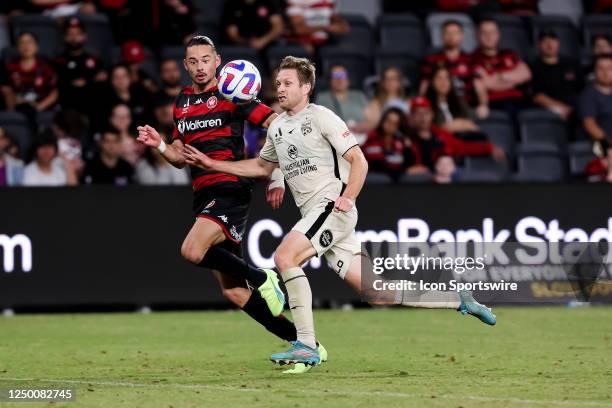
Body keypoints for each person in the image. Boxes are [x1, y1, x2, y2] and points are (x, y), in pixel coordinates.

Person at [184, 56, 497, 371]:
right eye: (278, 83)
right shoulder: (277, 126)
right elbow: (262, 167)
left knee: (285, 257)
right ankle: (458, 299)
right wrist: (213, 164)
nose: (280, 88)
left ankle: (306, 344)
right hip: (317, 213)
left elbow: (359, 160)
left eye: (288, 83)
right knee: (378, 293)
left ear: (306, 87)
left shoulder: (321, 117)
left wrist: (348, 197)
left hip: (331, 205)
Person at [135, 35, 310, 355]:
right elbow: (178, 157)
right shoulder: (182, 102)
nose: (200, 67)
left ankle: (263, 277)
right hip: (203, 192)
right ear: (185, 66)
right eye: (193, 61)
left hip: (230, 185)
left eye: (205, 60)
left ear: (217, 62)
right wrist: (159, 144)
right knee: (233, 292)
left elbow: (277, 125)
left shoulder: (233, 91)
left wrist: (277, 175)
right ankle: (303, 341)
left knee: (191, 249)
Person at [406, 96, 505, 173]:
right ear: (411, 116)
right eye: (418, 114)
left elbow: (462, 147)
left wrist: (488, 148)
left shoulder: (439, 134)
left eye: (426, 113)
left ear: (431, 115)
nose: (422, 118)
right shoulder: (406, 138)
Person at [420, 20, 488, 117]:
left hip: (466, 105)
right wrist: (421, 103)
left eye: (455, 33)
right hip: (439, 106)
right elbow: (424, 85)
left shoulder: (470, 60)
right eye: (448, 33)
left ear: (462, 35)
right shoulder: (432, 60)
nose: (451, 37)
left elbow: (479, 86)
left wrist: (483, 104)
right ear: (442, 36)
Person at [471, 18, 531, 116]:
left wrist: (500, 76)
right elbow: (482, 84)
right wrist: (513, 80)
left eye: (492, 32)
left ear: (498, 35)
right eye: (484, 33)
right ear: (477, 35)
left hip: (519, 99)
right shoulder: (474, 58)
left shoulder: (509, 53)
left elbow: (526, 74)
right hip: (495, 102)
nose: (489, 36)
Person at [1, 32, 58, 125]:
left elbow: (54, 93)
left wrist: (38, 107)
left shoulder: (46, 67)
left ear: (36, 46)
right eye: (22, 43)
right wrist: (12, 108)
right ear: (17, 47)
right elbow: (6, 91)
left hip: (40, 105)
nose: (26, 46)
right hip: (17, 105)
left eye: (29, 42)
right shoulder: (9, 67)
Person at [54, 17, 105, 114]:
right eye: (70, 34)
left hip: (91, 107)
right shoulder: (57, 61)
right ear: (64, 36)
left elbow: (100, 82)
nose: (74, 38)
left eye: (77, 34)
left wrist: (87, 82)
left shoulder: (95, 61)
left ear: (84, 36)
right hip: (67, 108)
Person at [531, 30, 583, 122]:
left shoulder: (572, 63)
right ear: (539, 45)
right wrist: (560, 107)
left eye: (552, 41)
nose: (549, 44)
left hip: (576, 107)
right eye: (545, 41)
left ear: (558, 43)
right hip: (551, 107)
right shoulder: (534, 67)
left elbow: (582, 89)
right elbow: (536, 96)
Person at [316, 64, 369, 142]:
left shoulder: (359, 96)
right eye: (335, 75)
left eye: (342, 75)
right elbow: (321, 123)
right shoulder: (322, 98)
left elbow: (370, 120)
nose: (339, 78)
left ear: (348, 79)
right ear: (329, 80)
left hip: (364, 139)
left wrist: (362, 127)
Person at [425, 66, 481, 134]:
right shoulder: (427, 104)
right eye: (439, 78)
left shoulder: (459, 101)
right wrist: (453, 126)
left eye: (447, 78)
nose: (443, 82)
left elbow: (471, 124)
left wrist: (457, 125)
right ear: (432, 82)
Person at [362, 107, 411, 178]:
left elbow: (405, 163)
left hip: (394, 183)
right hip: (373, 181)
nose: (390, 125)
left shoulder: (400, 141)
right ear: (383, 121)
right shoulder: (372, 138)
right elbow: (377, 164)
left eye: (395, 123)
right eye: (388, 121)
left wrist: (407, 148)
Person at [580, 55, 612, 164]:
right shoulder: (589, 95)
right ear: (595, 71)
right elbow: (590, 124)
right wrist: (608, 143)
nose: (605, 72)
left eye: (609, 68)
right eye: (601, 68)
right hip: (599, 142)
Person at [364, 66, 411, 131]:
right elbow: (373, 125)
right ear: (383, 82)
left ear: (399, 82)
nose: (390, 81)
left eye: (393, 78)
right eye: (386, 78)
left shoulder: (408, 102)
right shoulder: (375, 103)